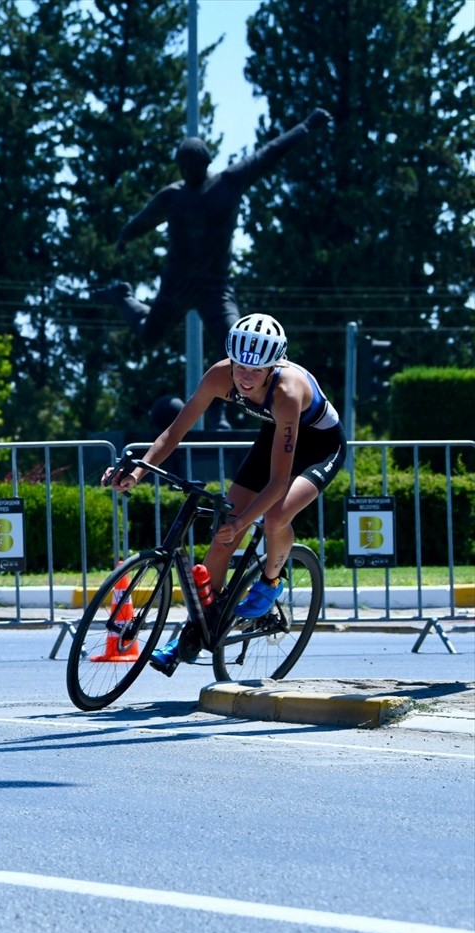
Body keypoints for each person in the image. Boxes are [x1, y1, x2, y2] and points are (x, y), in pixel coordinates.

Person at [104, 313, 345, 676]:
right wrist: (139, 471)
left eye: (256, 370)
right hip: (274, 437)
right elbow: (175, 431)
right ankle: (195, 631)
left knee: (275, 516)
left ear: (273, 367)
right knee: (222, 537)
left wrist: (245, 521)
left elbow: (279, 483)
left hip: (320, 447)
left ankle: (271, 580)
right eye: (240, 367)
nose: (245, 377)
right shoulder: (219, 376)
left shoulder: (286, 392)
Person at [94, 109, 333, 429]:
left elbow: (269, 153)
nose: (189, 172)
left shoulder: (229, 183)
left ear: (206, 163)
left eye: (194, 166)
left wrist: (305, 125)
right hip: (178, 283)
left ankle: (219, 411)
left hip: (215, 286)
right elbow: (143, 220)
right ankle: (124, 296)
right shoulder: (173, 196)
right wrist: (125, 236)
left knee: (240, 345)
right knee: (149, 336)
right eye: (184, 167)